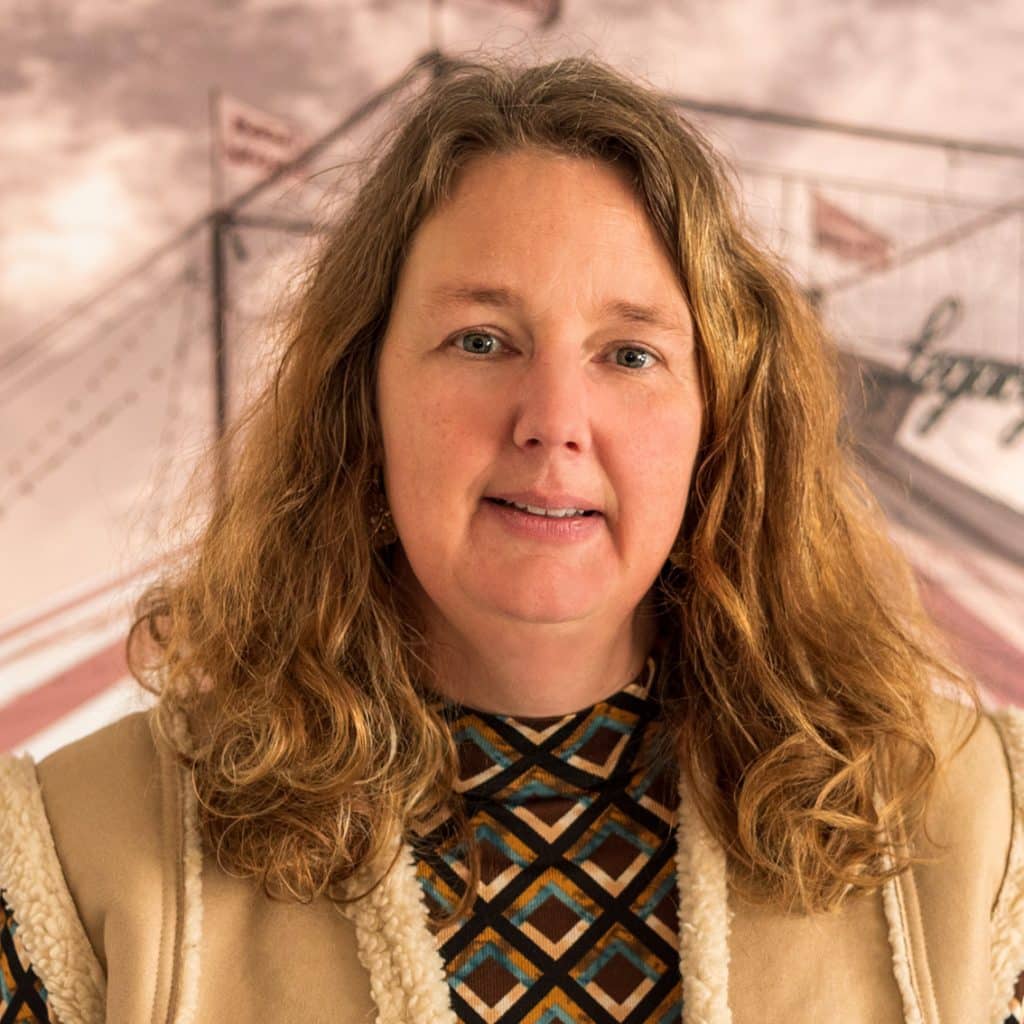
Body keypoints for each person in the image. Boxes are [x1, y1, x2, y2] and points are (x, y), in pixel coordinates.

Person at [1, 52, 1021, 1024]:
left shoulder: (986, 834)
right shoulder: (77, 854)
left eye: (629, 353)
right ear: (363, 401)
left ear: (721, 422)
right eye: (481, 340)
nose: (553, 420)